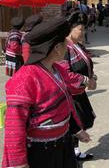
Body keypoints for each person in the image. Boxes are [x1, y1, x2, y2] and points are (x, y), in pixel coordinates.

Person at [2, 17, 91, 168]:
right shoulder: (24, 79)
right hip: (40, 152)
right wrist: (19, 163)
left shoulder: (59, 69)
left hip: (63, 142)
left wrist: (76, 130)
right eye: (65, 43)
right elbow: (14, 125)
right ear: (57, 48)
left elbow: (67, 103)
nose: (67, 46)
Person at [61, 11, 97, 161]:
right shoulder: (64, 48)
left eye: (84, 29)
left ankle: (75, 151)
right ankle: (69, 155)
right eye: (81, 29)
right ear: (71, 28)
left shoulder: (77, 45)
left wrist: (93, 77)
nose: (83, 32)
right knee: (72, 126)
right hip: (69, 96)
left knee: (80, 123)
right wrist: (87, 80)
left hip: (79, 93)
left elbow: (87, 64)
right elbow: (66, 74)